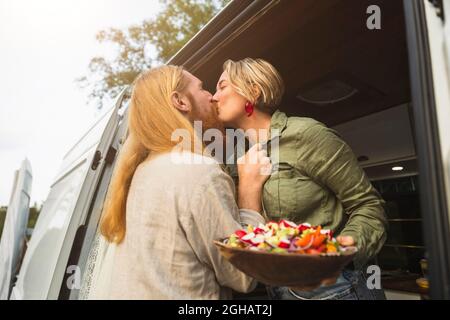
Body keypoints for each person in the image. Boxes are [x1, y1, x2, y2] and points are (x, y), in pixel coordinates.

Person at [212, 58, 388, 300]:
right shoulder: (235, 158)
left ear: (252, 92)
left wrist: (333, 257)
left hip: (336, 288)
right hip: (279, 290)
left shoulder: (307, 135)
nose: (213, 97)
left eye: (221, 87)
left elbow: (368, 206)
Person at [99, 65, 271, 299]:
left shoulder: (141, 172)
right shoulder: (199, 173)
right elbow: (244, 273)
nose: (211, 96)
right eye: (201, 88)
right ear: (180, 101)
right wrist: (249, 192)